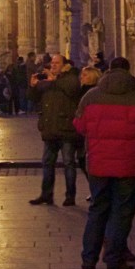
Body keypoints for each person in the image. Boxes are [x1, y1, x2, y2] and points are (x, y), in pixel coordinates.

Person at [73, 56, 135, 269]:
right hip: (129, 165)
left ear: (108, 71)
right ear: (129, 72)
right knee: (122, 212)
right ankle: (113, 259)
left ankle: (88, 258)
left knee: (97, 209)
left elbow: (80, 126)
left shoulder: (90, 97)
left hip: (98, 163)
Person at [28, 53, 81, 206]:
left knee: (69, 162)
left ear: (65, 65)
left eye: (57, 63)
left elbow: (72, 90)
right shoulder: (49, 82)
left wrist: (54, 79)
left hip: (66, 128)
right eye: (52, 63)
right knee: (47, 163)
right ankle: (46, 194)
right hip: (50, 128)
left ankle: (70, 195)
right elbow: (33, 98)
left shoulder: (70, 78)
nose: (53, 65)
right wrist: (32, 86)